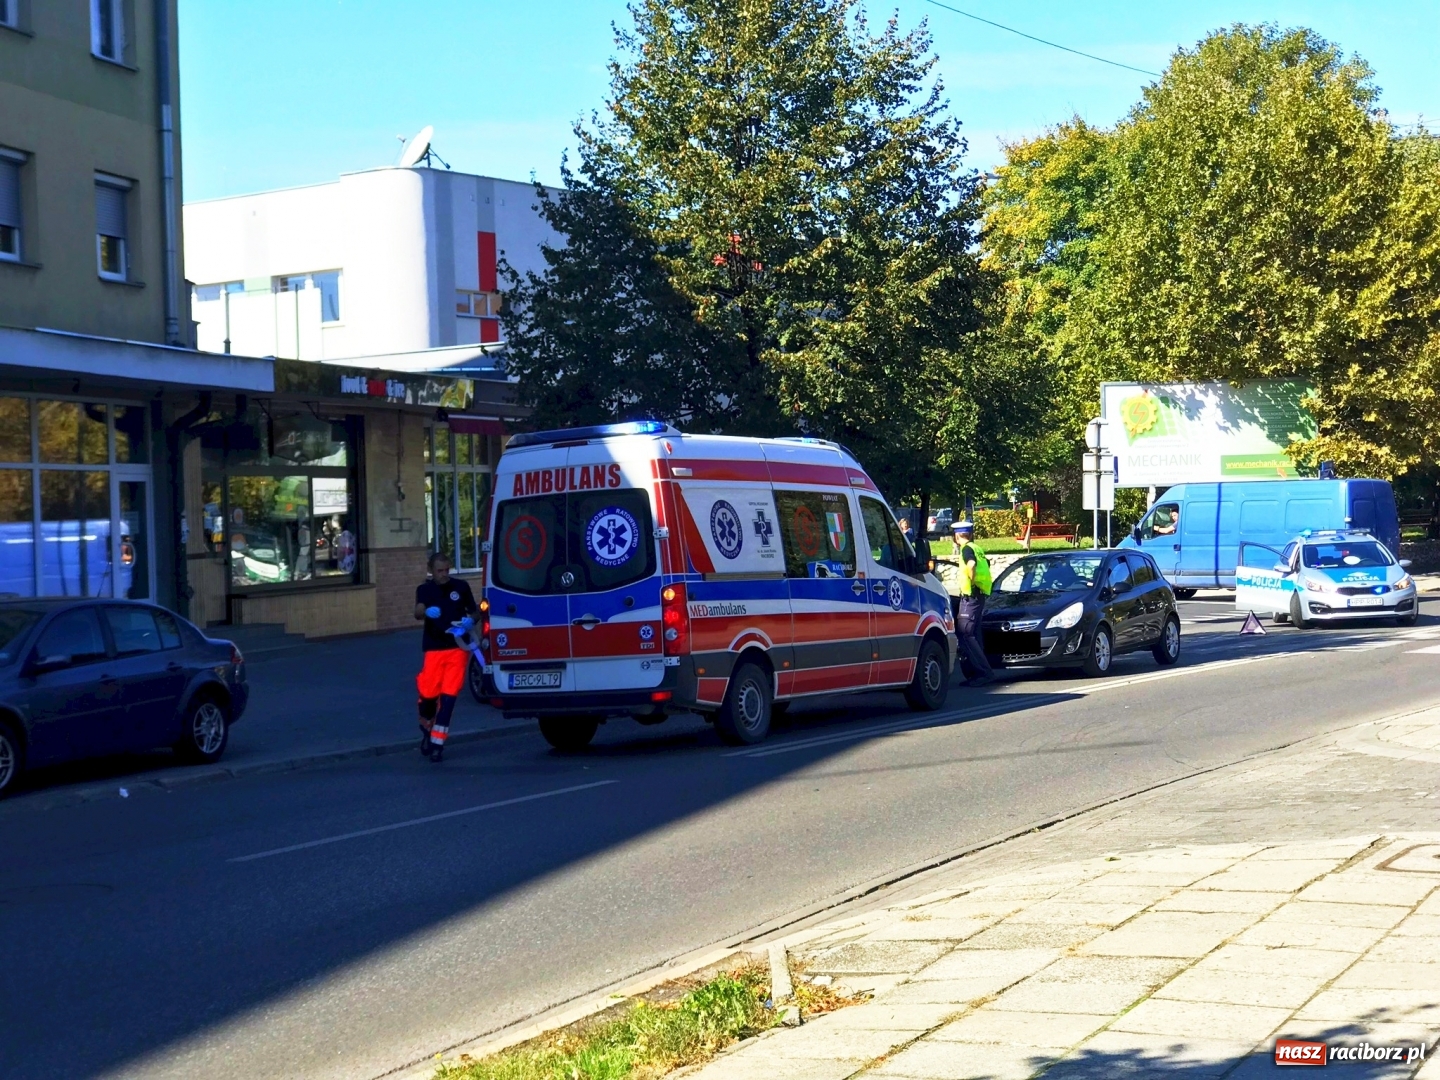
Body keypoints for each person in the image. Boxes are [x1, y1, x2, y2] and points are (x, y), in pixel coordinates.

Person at [414, 551, 478, 762]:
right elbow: (418, 611)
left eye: (446, 570)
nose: (443, 574)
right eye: (439, 571)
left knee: (449, 698)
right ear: (430, 570)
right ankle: (427, 727)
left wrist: (471, 621)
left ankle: (437, 744)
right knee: (428, 695)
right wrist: (426, 612)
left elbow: (474, 611)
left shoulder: (460, 587)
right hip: (434, 648)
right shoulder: (425, 590)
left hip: (457, 647)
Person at [951, 520, 994, 687]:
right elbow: (986, 564)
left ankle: (984, 672)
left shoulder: (966, 549)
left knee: (965, 634)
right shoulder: (977, 548)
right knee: (973, 635)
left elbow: (971, 564)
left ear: (957, 536)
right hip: (979, 595)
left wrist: (972, 579)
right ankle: (976, 674)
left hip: (971, 596)